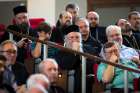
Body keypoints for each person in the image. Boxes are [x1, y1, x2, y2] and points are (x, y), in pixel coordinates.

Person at [76, 18, 102, 93]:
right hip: (79, 72)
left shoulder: (97, 43)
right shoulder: (74, 42)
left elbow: (100, 59)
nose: (84, 29)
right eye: (80, 27)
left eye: (86, 26)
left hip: (93, 71)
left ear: (89, 27)